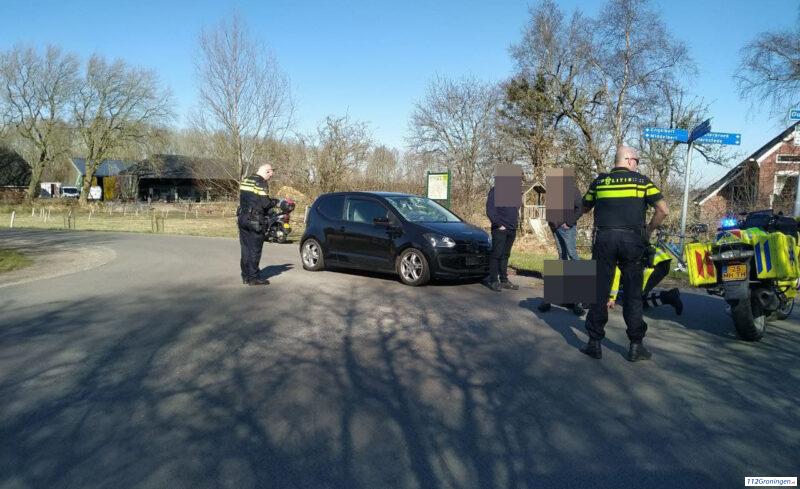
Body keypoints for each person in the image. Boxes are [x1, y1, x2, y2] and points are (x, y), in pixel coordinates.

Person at [580, 146, 669, 362]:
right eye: (637, 160)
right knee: (632, 293)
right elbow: (663, 210)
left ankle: (594, 343)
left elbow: (584, 207)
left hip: (604, 240)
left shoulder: (600, 182)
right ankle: (636, 345)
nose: (637, 164)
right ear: (629, 160)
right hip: (632, 241)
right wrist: (648, 230)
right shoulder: (642, 182)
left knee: (599, 291)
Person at [538, 179, 585, 315]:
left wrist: (569, 223)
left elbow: (580, 208)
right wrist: (551, 223)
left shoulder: (573, 190)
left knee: (573, 257)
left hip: (567, 228)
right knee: (561, 259)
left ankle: (579, 300)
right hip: (555, 227)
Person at [607, 244, 683, 315]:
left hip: (651, 265)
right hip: (659, 261)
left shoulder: (610, 256)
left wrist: (612, 298)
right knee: (635, 295)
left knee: (634, 302)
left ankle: (669, 297)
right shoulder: (616, 244)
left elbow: (616, 275)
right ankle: (667, 296)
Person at [237, 163, 278, 286]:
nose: (270, 177)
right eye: (270, 175)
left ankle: (245, 276)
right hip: (255, 220)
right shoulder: (261, 183)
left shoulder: (246, 180)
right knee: (255, 249)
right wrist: (275, 202)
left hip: (242, 217)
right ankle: (253, 278)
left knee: (245, 248)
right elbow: (265, 204)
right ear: (267, 171)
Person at [486, 185, 520, 292]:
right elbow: (490, 210)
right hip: (500, 229)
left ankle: (504, 280)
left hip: (511, 229)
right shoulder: (496, 190)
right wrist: (499, 224)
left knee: (505, 255)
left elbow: (515, 208)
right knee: (496, 254)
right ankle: (493, 280)